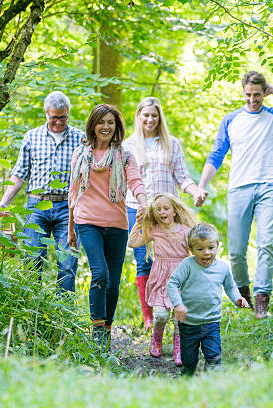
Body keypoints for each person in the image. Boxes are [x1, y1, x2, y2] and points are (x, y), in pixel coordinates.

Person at [198, 71, 273, 318]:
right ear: (242, 93)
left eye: (257, 94)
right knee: (236, 250)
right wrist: (202, 185)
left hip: (269, 185)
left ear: (263, 92)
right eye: (248, 95)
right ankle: (244, 295)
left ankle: (262, 300)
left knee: (266, 244)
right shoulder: (231, 120)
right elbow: (216, 155)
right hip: (239, 188)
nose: (252, 100)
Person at [67, 104, 147, 349]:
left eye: (111, 122)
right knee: (99, 274)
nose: (106, 127)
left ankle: (108, 328)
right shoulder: (80, 155)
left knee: (113, 281)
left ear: (117, 127)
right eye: (101, 122)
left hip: (117, 224)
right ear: (93, 125)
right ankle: (97, 330)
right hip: (87, 221)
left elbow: (135, 180)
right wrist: (71, 228)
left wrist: (144, 201)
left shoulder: (124, 156)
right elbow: (73, 193)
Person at [126, 97, 208, 330]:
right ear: (139, 116)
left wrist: (195, 192)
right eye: (146, 115)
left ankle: (176, 311)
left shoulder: (172, 144)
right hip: (139, 209)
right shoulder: (128, 145)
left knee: (174, 261)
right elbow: (124, 181)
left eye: (154, 115)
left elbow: (183, 177)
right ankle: (149, 317)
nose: (150, 119)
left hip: (167, 210)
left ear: (159, 117)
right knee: (144, 262)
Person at [0, 91, 83, 293]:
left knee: (68, 262)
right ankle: (32, 308)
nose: (59, 122)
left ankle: (63, 313)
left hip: (68, 208)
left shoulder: (80, 138)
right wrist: (4, 202)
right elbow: (19, 174)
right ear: (46, 113)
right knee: (32, 258)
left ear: (68, 114)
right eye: (54, 118)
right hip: (37, 206)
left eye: (63, 117)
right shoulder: (31, 137)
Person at [167, 223, 249, 375]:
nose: (206, 253)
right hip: (189, 323)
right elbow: (172, 283)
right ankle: (187, 380)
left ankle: (213, 382)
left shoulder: (222, 268)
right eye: (200, 249)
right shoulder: (188, 265)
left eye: (211, 248)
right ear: (191, 250)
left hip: (211, 322)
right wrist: (178, 304)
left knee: (214, 358)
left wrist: (238, 298)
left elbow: (230, 287)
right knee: (189, 361)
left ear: (217, 246)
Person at [128, 193, 197, 366]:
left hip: (181, 277)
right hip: (160, 278)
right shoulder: (154, 230)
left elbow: (197, 250)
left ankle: (179, 348)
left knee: (179, 318)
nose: (162, 212)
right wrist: (138, 222)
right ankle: (156, 338)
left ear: (174, 211)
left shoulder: (185, 231)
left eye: (166, 208)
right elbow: (132, 243)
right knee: (160, 315)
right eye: (158, 210)